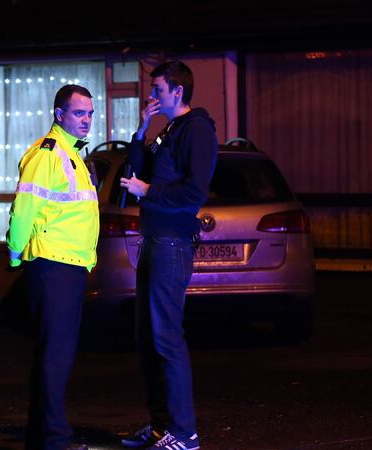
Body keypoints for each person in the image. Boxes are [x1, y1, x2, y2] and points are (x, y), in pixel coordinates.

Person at [118, 61, 218, 450]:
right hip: (155, 239)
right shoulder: (169, 129)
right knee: (148, 338)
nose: (152, 95)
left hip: (172, 242)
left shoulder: (197, 130)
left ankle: (185, 434)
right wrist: (141, 130)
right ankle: (162, 426)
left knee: (166, 338)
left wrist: (148, 192)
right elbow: (139, 170)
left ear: (178, 91)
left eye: (157, 89)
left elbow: (194, 192)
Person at [6, 84, 100, 450]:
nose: (86, 120)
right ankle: (55, 440)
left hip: (67, 266)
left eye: (90, 113)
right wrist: (16, 254)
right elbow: (24, 208)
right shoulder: (48, 154)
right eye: (79, 113)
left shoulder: (71, 153)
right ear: (59, 115)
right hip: (54, 265)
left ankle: (42, 437)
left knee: (53, 355)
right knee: (56, 357)